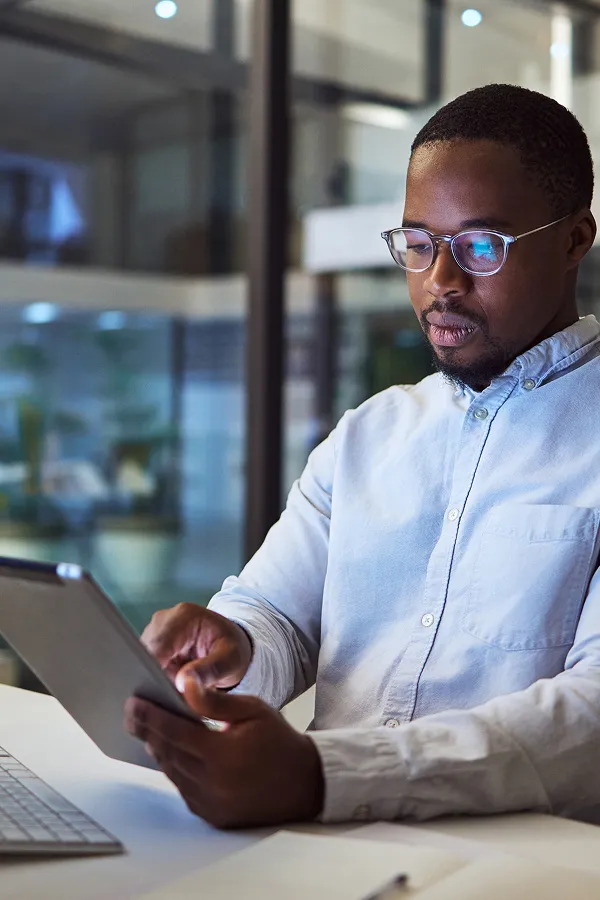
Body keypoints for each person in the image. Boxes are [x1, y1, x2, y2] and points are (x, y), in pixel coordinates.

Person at [125, 83, 600, 830]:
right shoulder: (369, 435)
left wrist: (326, 776)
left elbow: (590, 721)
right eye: (418, 244)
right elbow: (276, 613)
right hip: (315, 848)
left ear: (576, 239)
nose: (439, 282)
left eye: (480, 245)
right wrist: (232, 648)